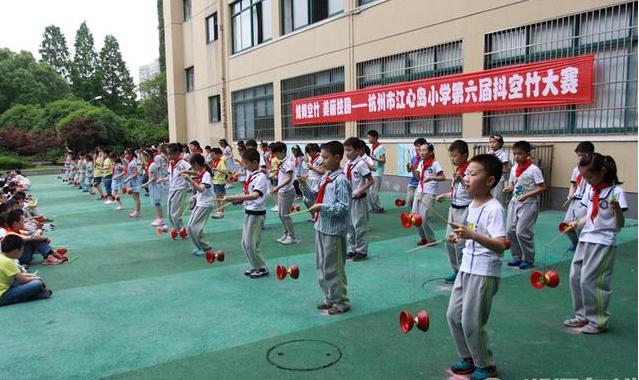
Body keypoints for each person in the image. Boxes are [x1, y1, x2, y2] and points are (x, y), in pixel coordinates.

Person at [446, 154, 507, 380]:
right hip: (467, 268)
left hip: (484, 271)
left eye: (473, 174)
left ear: (490, 181)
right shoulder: (472, 205)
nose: (466, 178)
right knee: (453, 315)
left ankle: (486, 364)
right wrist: (460, 237)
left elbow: (500, 245)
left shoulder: (494, 209)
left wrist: (471, 234)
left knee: (472, 321)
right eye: (466, 174)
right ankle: (468, 357)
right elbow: (472, 235)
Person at [564, 153, 627, 334]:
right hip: (586, 238)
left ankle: (598, 321)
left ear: (603, 171)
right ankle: (581, 315)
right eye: (585, 177)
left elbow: (619, 224)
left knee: (591, 280)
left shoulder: (616, 193)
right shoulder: (592, 190)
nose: (587, 181)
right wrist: (575, 223)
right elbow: (589, 213)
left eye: (590, 177)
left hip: (603, 241)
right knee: (575, 277)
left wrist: (616, 209)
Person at [299, 141, 351, 315]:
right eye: (321, 156)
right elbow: (314, 196)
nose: (322, 160)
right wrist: (303, 185)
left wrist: (322, 207)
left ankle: (341, 301)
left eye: (325, 157)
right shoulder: (326, 177)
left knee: (333, 267)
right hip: (321, 226)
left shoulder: (341, 181)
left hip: (334, 231)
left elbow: (343, 206)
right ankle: (329, 297)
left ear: (337, 158)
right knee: (321, 265)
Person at [225, 148, 270, 278]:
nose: (244, 165)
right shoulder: (251, 174)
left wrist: (236, 198)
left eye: (246, 163)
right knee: (244, 242)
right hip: (249, 211)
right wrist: (238, 199)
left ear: (255, 162)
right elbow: (247, 193)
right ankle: (255, 266)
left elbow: (255, 195)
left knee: (252, 243)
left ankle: (262, 268)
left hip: (257, 213)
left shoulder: (260, 177)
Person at [503, 141, 546, 269]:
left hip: (529, 203)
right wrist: (509, 188)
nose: (516, 157)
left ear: (528, 154)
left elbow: (542, 187)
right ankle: (516, 256)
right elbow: (513, 184)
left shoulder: (534, 170)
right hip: (514, 202)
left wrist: (527, 195)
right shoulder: (514, 169)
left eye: (520, 154)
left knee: (522, 232)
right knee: (510, 231)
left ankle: (528, 259)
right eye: (514, 154)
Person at [436, 140, 472, 283]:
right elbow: (456, 192)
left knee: (461, 243)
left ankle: (464, 272)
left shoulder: (471, 171)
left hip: (466, 211)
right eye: (451, 156)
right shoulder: (457, 170)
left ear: (464, 155)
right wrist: (444, 195)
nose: (452, 159)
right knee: (449, 241)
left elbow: (474, 192)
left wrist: (462, 181)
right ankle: (456, 270)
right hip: (454, 209)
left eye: (455, 156)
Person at [0, 234, 52, 306]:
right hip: (2, 296)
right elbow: (23, 279)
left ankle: (34, 294)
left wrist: (31, 275)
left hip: (5, 287)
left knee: (22, 282)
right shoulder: (8, 262)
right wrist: (38, 278)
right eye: (22, 249)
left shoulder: (2, 257)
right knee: (37, 283)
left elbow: (16, 275)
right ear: (16, 251)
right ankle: (32, 296)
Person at [343, 137, 373, 262]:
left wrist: (360, 190)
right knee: (349, 225)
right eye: (345, 150)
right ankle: (353, 248)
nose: (347, 153)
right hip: (348, 199)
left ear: (357, 150)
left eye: (350, 150)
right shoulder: (348, 164)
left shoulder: (361, 164)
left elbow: (371, 180)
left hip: (359, 199)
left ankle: (362, 251)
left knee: (359, 226)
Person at [412, 142, 445, 246]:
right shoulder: (421, 163)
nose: (421, 152)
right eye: (420, 150)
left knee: (424, 218)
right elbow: (418, 177)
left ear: (430, 152)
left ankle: (431, 239)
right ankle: (423, 238)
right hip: (419, 190)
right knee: (414, 217)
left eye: (424, 150)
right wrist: (412, 169)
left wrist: (432, 177)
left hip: (429, 192)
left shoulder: (435, 163)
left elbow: (443, 177)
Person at [563, 141, 595, 250]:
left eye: (583, 155)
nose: (580, 158)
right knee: (566, 224)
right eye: (579, 155)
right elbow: (573, 184)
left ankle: (583, 245)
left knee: (580, 225)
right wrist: (570, 194)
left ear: (590, 154)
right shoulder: (576, 169)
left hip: (586, 202)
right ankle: (576, 243)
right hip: (575, 200)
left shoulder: (594, 169)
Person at [183, 154, 216, 256]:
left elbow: (201, 189)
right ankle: (199, 246)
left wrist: (190, 180)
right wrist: (195, 196)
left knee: (195, 227)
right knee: (189, 226)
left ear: (197, 164)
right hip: (201, 202)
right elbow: (200, 191)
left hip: (206, 204)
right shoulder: (201, 173)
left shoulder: (206, 175)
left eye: (192, 165)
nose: (192, 168)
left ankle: (206, 248)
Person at [270, 142, 299, 245]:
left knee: (285, 215)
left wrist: (277, 188)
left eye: (277, 153)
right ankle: (286, 234)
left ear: (282, 151)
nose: (276, 156)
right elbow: (282, 176)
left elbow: (288, 179)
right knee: (280, 215)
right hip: (282, 191)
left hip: (287, 192)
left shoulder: (288, 163)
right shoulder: (283, 162)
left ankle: (292, 236)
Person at [164, 143, 192, 238]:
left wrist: (185, 172)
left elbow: (193, 171)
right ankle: (178, 229)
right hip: (172, 188)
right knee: (169, 214)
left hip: (180, 188)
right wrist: (164, 179)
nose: (169, 156)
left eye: (170, 154)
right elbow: (171, 176)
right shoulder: (172, 163)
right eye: (168, 154)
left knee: (175, 214)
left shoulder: (183, 162)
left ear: (177, 153)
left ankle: (182, 230)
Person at [142, 149, 168, 227]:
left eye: (145, 156)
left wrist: (145, 184)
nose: (144, 158)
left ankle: (160, 219)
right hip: (153, 186)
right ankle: (158, 218)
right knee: (156, 203)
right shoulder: (151, 164)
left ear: (148, 156)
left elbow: (153, 178)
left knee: (157, 203)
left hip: (155, 186)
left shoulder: (152, 165)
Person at [367, 130, 386, 213]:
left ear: (375, 137)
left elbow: (383, 160)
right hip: (372, 171)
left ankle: (379, 208)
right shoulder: (373, 147)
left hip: (377, 173)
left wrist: (372, 158)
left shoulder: (380, 147)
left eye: (369, 137)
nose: (368, 139)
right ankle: (374, 207)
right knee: (371, 192)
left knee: (374, 193)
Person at [488, 134, 510, 203]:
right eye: (490, 142)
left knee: (497, 198)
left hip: (498, 179)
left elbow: (505, 169)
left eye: (494, 142)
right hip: (489, 178)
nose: (492, 144)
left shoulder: (503, 154)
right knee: (488, 197)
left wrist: (496, 170)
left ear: (500, 143)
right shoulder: (489, 153)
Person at [406, 138, 427, 208]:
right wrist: (408, 168)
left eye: (418, 146)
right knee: (410, 200)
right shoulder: (413, 158)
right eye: (415, 146)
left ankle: (416, 215)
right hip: (412, 182)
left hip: (421, 184)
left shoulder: (425, 159)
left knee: (417, 201)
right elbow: (409, 171)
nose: (416, 148)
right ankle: (414, 213)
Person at [122, 149, 142, 218]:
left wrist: (127, 179)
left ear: (130, 154)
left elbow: (136, 173)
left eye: (126, 154)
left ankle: (137, 212)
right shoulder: (129, 162)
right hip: (132, 181)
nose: (125, 155)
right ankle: (136, 210)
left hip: (135, 182)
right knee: (134, 197)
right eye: (124, 154)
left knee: (136, 197)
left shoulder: (133, 162)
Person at [209, 148, 228, 219]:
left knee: (220, 197)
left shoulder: (221, 162)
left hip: (219, 182)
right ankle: (218, 211)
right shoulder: (215, 161)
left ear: (217, 155)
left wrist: (216, 169)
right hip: (215, 181)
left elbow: (225, 171)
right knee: (217, 197)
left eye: (213, 155)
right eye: (211, 155)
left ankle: (221, 212)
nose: (212, 157)